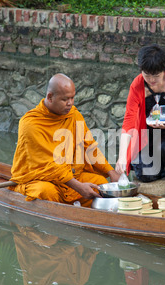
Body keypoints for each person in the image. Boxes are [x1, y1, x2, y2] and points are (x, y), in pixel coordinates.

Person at [9, 73, 120, 207]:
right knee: (45, 192)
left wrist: (111, 172)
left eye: (72, 98)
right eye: (65, 99)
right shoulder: (30, 124)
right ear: (50, 97)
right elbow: (49, 165)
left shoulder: (74, 115)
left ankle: (87, 215)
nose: (70, 103)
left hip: (70, 177)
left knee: (100, 183)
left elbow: (89, 147)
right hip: (42, 179)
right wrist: (78, 186)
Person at [115, 44, 165, 182]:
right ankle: (160, 167)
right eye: (147, 75)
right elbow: (129, 121)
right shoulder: (137, 85)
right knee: (146, 174)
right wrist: (121, 157)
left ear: (164, 70)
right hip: (146, 132)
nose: (151, 80)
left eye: (156, 76)